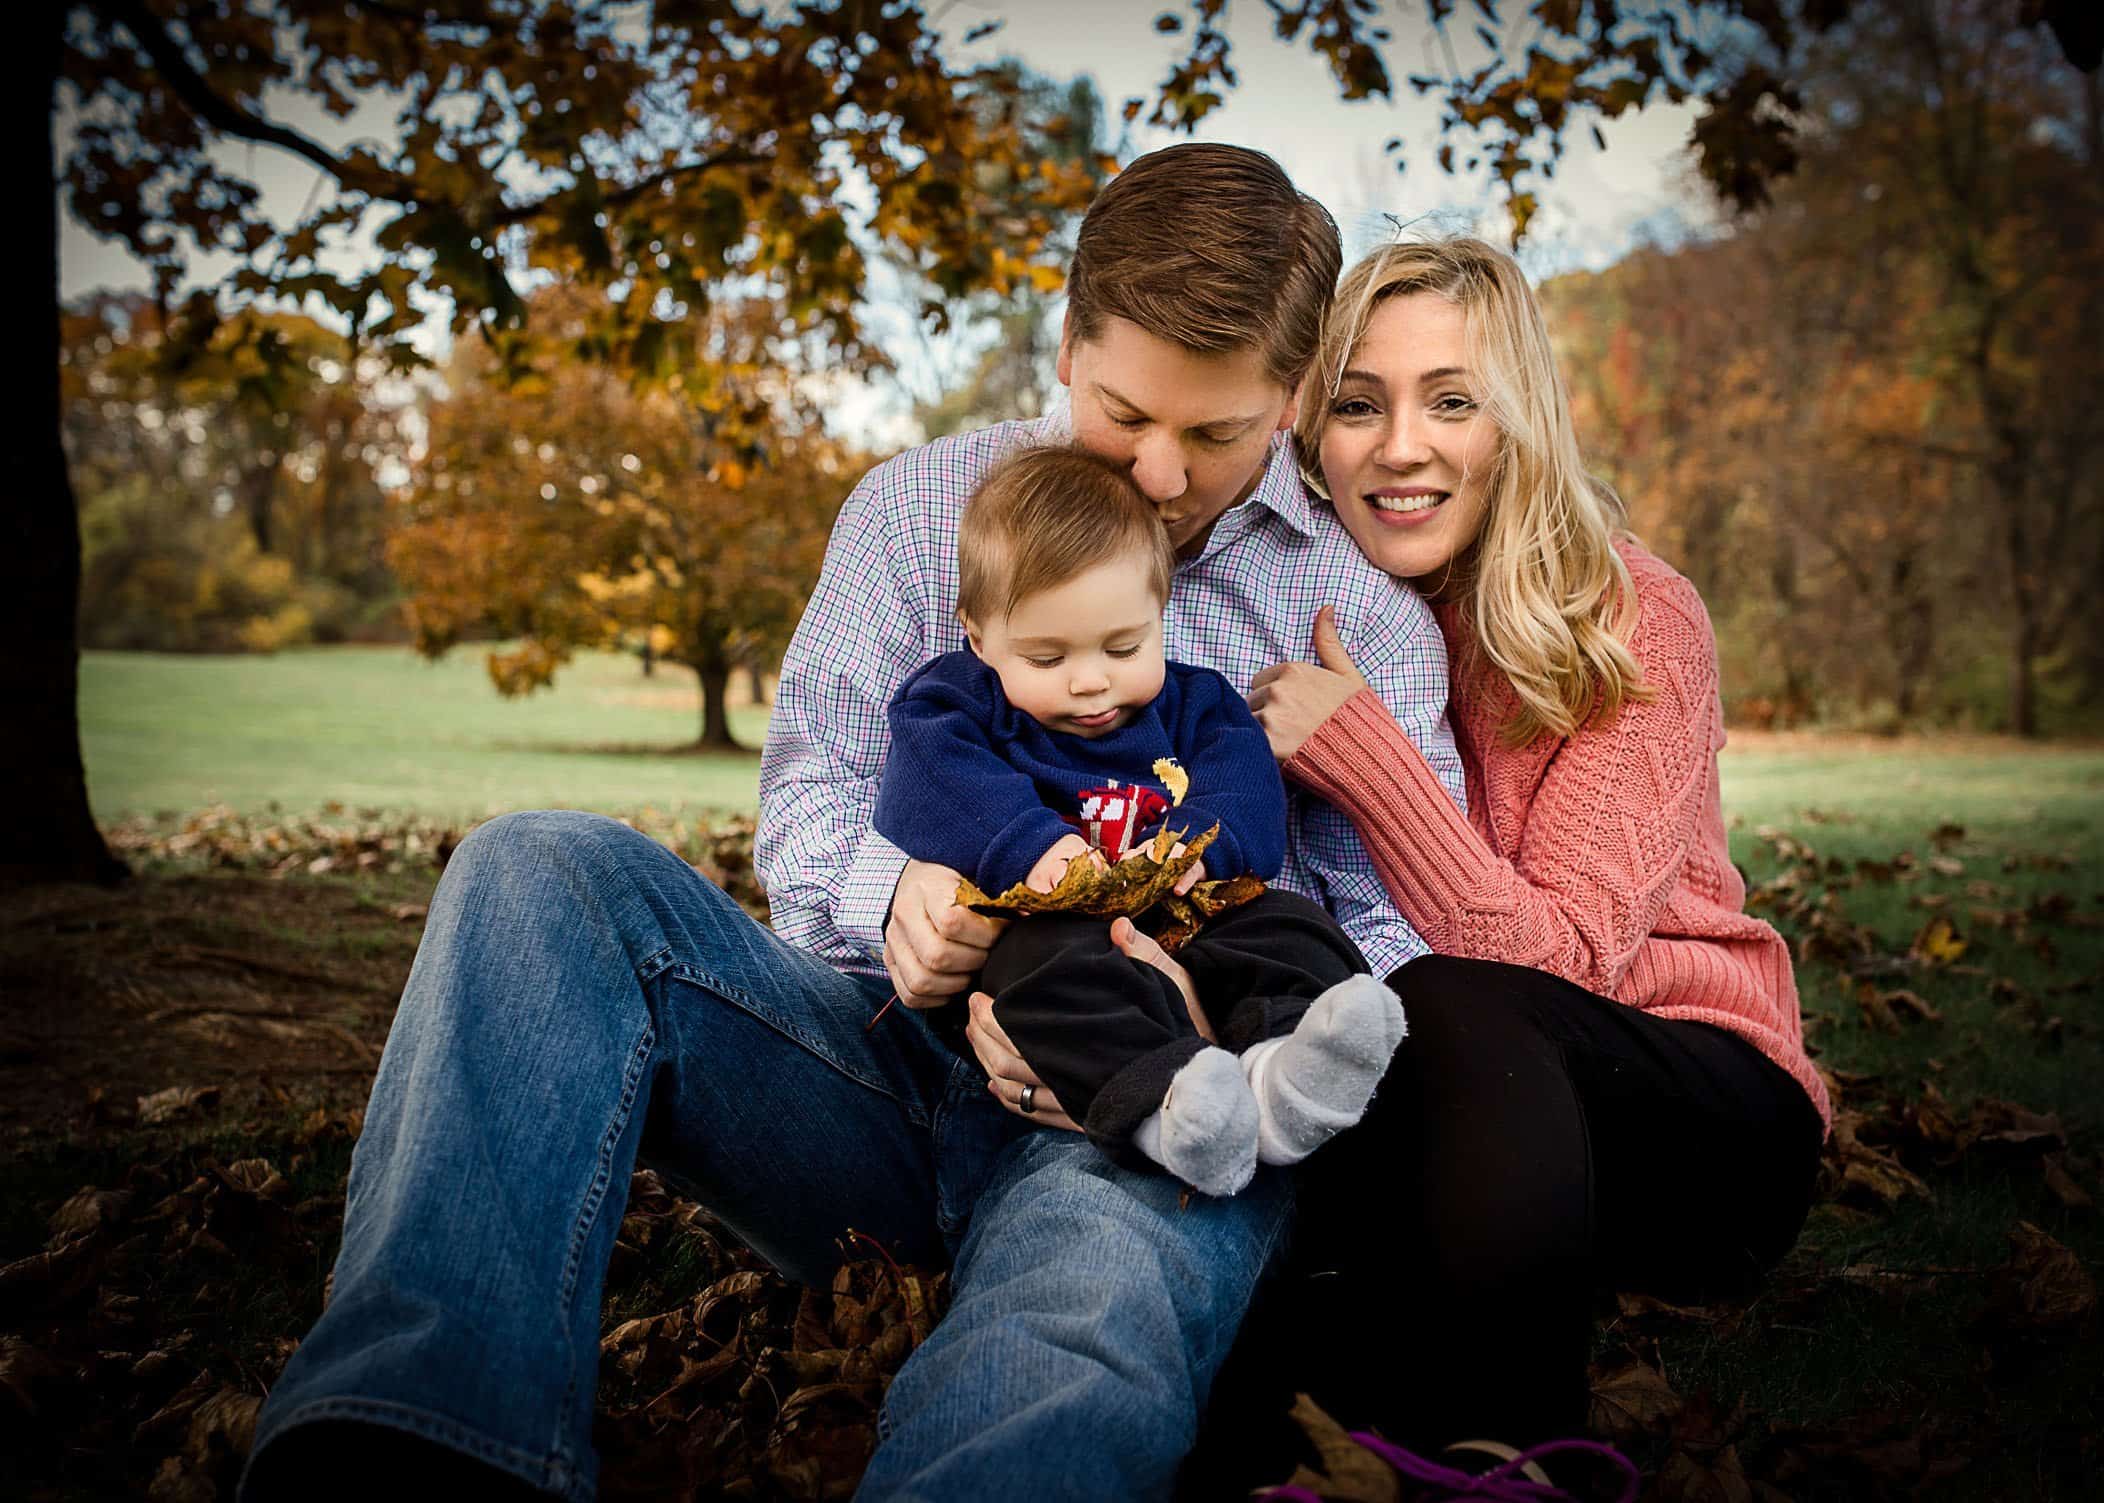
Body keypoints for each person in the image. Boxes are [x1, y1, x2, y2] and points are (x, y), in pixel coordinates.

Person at [239, 143, 1465, 1503]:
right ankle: (422, 1436)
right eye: (1126, 412)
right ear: (1067, 346)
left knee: (1074, 1321)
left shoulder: (1368, 626)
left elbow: (1405, 940)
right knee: (536, 870)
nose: (1163, 474)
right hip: (868, 1068)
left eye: (1219, 432)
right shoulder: (914, 512)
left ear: (1292, 397)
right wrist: (905, 894)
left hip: (1153, 1122)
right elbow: (810, 789)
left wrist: (1211, 1017)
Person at [1181, 236, 1832, 1488]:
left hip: (1690, 1106)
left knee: (1443, 1001)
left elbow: (1565, 957)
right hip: (1470, 1117)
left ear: (1515, 420)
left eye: (1451, 400)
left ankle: (1516, 1455)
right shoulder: (1344, 612)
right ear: (1311, 430)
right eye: (1358, 404)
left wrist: (1365, 756)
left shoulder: (1629, 613)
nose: (1401, 446)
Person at [873, 444, 1407, 1199]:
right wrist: (1033, 846)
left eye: (1123, 646)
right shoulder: (958, 701)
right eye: (1046, 656)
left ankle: (1281, 1073)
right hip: (1054, 933)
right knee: (1047, 977)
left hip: (1190, 917)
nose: (1090, 680)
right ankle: (1170, 1110)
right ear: (980, 633)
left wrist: (1195, 850)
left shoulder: (1197, 705)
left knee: (1290, 925)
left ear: (1160, 609)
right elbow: (931, 777)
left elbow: (1244, 785)